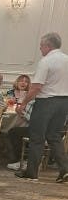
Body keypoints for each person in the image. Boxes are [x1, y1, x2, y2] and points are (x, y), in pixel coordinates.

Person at [15, 32, 68, 182]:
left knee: (37, 137)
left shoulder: (46, 61)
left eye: (41, 46)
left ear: (48, 46)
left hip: (46, 102)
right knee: (54, 136)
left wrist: (23, 103)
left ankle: (32, 172)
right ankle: (65, 170)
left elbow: (37, 87)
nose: (40, 49)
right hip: (64, 103)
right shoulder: (67, 60)